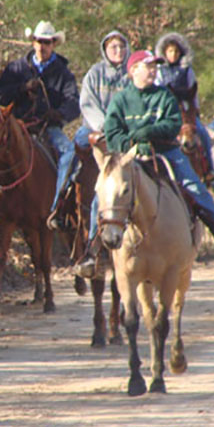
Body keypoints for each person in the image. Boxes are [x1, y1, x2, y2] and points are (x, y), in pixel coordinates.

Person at [103, 50, 214, 263]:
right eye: (149, 66)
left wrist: (148, 133)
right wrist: (132, 143)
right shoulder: (120, 100)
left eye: (155, 66)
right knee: (105, 190)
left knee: (194, 188)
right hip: (129, 155)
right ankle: (91, 251)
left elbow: (173, 125)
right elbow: (112, 133)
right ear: (134, 70)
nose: (154, 71)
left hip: (166, 151)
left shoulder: (164, 96)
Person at [0, 20, 79, 234]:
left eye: (46, 42)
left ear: (53, 44)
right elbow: (0, 94)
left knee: (69, 151)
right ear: (33, 42)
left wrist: (59, 114)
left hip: (48, 127)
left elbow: (74, 103)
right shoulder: (17, 68)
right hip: (16, 126)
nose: (41, 46)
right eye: (38, 41)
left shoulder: (63, 73)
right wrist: (22, 88)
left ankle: (59, 206)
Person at [72, 30, 130, 277]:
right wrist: (105, 127)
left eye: (121, 46)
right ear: (105, 49)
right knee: (69, 155)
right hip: (95, 131)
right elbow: (87, 103)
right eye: (113, 47)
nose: (117, 50)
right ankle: (60, 199)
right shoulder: (94, 73)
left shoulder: (131, 74)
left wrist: (121, 129)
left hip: (123, 136)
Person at [154, 32, 214, 187]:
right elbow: (158, 92)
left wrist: (196, 110)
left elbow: (193, 90)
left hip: (186, 108)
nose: (173, 55)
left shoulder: (187, 70)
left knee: (203, 133)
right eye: (170, 51)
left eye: (176, 52)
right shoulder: (159, 71)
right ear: (164, 52)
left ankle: (209, 168)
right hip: (169, 110)